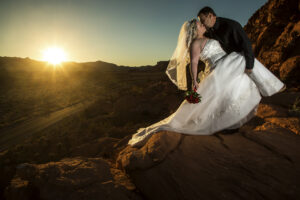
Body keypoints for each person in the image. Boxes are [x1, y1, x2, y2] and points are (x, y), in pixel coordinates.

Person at [127, 19, 285, 148]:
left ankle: (234, 120)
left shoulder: (211, 36)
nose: (202, 24)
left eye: (201, 23)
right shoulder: (195, 43)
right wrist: (195, 81)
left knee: (238, 77)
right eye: (199, 25)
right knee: (240, 61)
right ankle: (268, 88)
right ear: (193, 30)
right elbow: (194, 64)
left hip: (226, 66)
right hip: (217, 71)